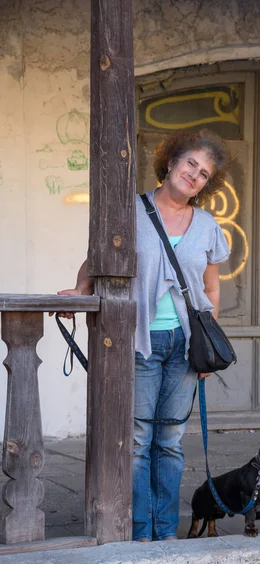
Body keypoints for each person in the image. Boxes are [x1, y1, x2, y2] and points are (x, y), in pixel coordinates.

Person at [56, 129, 232, 542]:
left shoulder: (206, 226)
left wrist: (206, 347)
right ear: (170, 161)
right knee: (137, 441)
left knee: (169, 441)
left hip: (184, 346)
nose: (195, 174)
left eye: (204, 173)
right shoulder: (130, 210)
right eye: (190, 163)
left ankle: (165, 530)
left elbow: (212, 289)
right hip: (138, 341)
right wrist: (81, 290)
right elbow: (96, 259)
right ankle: (139, 531)